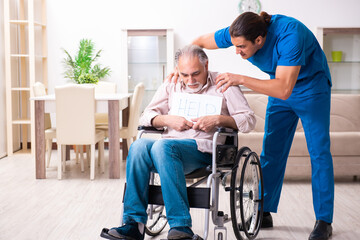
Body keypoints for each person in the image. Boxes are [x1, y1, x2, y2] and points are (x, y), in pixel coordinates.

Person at [188, 11, 334, 240]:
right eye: (234, 45)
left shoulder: (290, 35)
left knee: (319, 152)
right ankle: (263, 210)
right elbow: (198, 42)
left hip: (310, 88)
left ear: (259, 40)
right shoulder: (239, 32)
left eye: (241, 47)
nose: (236, 51)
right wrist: (183, 68)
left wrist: (241, 78)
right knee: (272, 151)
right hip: (278, 84)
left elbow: (285, 89)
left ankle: (324, 220)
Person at [101, 45, 256, 240]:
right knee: (139, 146)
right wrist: (167, 120)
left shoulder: (224, 84)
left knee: (163, 146)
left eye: (196, 74)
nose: (190, 81)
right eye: (184, 75)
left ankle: (181, 226)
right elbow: (145, 116)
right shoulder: (171, 84)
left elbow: (249, 120)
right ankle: (134, 224)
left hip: (202, 151)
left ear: (206, 65)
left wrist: (218, 120)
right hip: (166, 149)